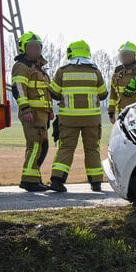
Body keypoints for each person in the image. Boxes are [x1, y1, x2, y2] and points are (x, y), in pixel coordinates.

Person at [47, 40, 108, 192]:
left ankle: (57, 180)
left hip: (69, 119)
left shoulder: (62, 71)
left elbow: (53, 93)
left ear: (71, 52)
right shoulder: (95, 71)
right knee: (92, 149)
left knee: (66, 148)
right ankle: (96, 182)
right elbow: (103, 94)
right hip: (91, 120)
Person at [10, 32, 54, 191]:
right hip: (31, 113)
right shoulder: (22, 66)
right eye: (32, 47)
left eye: (38, 47)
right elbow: (19, 89)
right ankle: (29, 181)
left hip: (42, 113)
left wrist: (50, 110)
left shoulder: (38, 68)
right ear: (24, 49)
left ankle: (35, 179)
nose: (36, 50)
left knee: (43, 146)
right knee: (35, 145)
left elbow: (45, 91)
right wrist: (26, 109)